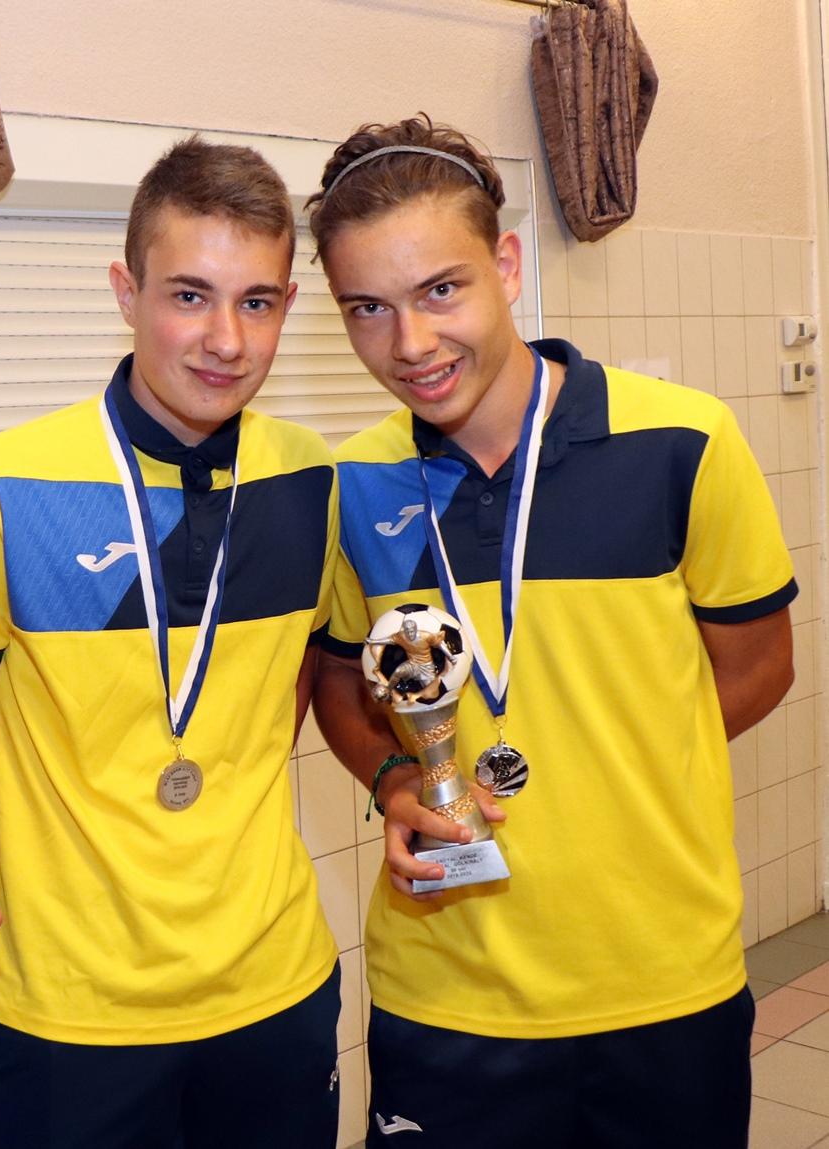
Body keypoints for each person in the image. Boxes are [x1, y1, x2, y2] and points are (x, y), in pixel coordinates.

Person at [307, 115, 796, 1149]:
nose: (411, 343)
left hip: (663, 981)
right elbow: (342, 690)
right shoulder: (350, 486)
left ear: (507, 264)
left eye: (442, 289)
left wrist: (614, 770)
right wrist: (395, 780)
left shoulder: (683, 440)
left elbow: (759, 669)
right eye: (368, 308)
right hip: (447, 993)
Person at [0, 137, 343, 1149]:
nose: (226, 339)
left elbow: (281, 704)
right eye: (189, 295)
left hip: (274, 985)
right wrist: (48, 875)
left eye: (258, 302)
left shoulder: (311, 478)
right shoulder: (0, 482)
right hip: (70, 1007)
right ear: (126, 292)